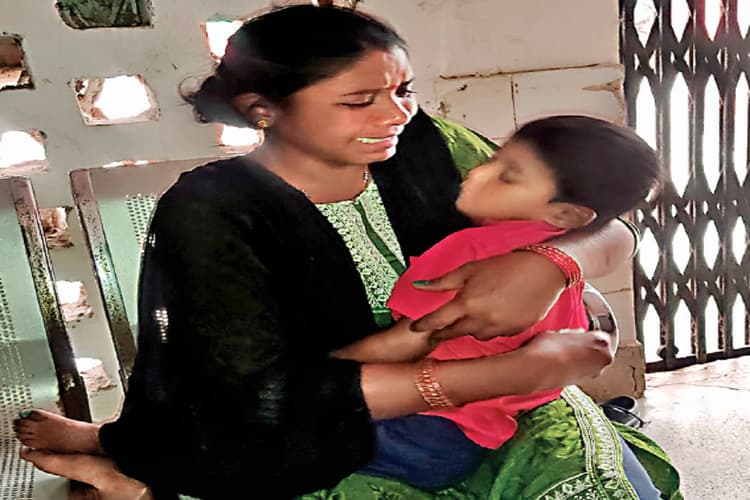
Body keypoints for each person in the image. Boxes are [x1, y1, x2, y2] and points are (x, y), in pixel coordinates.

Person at [14, 5, 681, 500]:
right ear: (263, 109)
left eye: (402, 90)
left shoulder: (429, 147)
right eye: (360, 100)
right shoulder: (213, 211)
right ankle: (135, 465)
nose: (395, 114)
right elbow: (265, 394)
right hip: (332, 419)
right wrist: (512, 371)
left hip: (498, 402)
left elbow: (601, 224)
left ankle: (129, 455)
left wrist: (552, 264)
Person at [332, 114, 663, 495]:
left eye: (505, 175)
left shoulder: (475, 252)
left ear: (566, 214)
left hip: (421, 430)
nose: (475, 172)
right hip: (484, 431)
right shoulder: (547, 244)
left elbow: (408, 339)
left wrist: (327, 371)